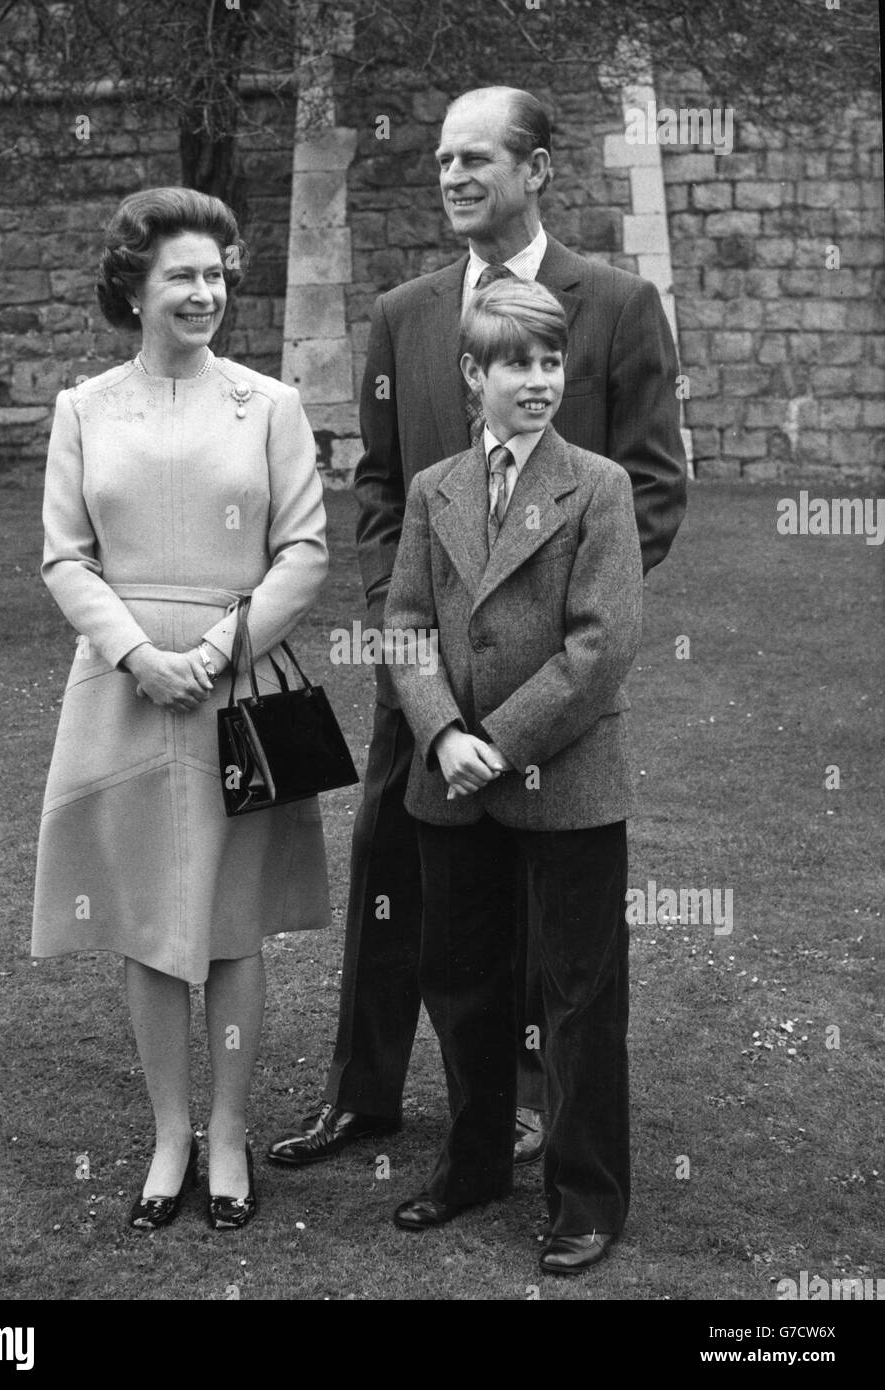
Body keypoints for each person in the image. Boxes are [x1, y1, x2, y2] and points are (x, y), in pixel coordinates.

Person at [268, 84, 685, 1170]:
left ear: (538, 167)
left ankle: (525, 1099)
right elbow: (379, 492)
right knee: (390, 876)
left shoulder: (618, 305)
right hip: (422, 682)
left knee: (544, 908)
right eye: (443, 160)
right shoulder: (405, 315)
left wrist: (558, 644)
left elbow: (651, 489)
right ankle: (362, 1093)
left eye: (476, 159)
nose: (451, 176)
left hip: (551, 686)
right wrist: (406, 645)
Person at [31, 187, 330, 1232]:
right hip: (119, 692)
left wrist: (210, 649)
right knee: (144, 918)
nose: (205, 292)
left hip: (232, 689)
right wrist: (134, 654)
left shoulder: (269, 405)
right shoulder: (83, 409)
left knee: (233, 925)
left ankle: (233, 1132)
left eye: (216, 273)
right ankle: (169, 1133)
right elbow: (64, 554)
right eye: (182, 277)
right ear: (134, 286)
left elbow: (304, 552)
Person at [385, 277, 642, 1274]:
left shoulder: (600, 487)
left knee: (577, 995)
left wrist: (502, 734)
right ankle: (475, 1162)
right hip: (453, 781)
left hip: (565, 779)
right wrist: (445, 734)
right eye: (515, 364)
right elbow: (404, 624)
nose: (538, 381)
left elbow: (602, 641)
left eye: (550, 361)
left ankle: (587, 1196)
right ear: (472, 374)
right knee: (462, 982)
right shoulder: (434, 488)